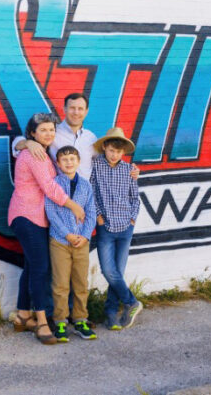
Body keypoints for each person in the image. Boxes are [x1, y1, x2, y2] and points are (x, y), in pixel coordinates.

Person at [8, 113, 87, 345]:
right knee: (41, 269)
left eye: (51, 129)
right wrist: (73, 205)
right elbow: (49, 187)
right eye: (43, 130)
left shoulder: (42, 152)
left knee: (32, 267)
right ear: (32, 133)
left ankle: (23, 315)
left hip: (33, 217)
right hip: (27, 216)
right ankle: (42, 321)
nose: (49, 134)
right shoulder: (35, 155)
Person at [12, 93, 137, 181]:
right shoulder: (53, 133)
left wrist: (130, 170)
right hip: (59, 196)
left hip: (86, 198)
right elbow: (16, 144)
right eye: (72, 108)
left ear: (86, 111)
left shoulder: (91, 138)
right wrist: (28, 143)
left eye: (80, 109)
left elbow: (107, 161)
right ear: (64, 109)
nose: (76, 112)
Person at [89, 126, 143, 331]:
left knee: (118, 272)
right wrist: (99, 218)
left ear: (123, 153)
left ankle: (111, 314)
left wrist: (132, 219)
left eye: (119, 152)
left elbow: (134, 198)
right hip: (106, 227)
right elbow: (91, 193)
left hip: (126, 227)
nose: (115, 154)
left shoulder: (128, 170)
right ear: (105, 147)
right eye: (111, 150)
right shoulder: (96, 166)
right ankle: (131, 302)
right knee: (108, 270)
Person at [44, 146, 98, 342]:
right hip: (60, 241)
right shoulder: (54, 184)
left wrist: (84, 236)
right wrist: (67, 235)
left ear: (78, 161)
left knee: (80, 282)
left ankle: (80, 319)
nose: (68, 162)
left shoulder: (85, 186)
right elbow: (51, 212)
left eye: (72, 158)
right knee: (60, 283)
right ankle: (60, 321)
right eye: (64, 159)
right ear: (58, 163)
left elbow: (91, 212)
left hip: (82, 242)